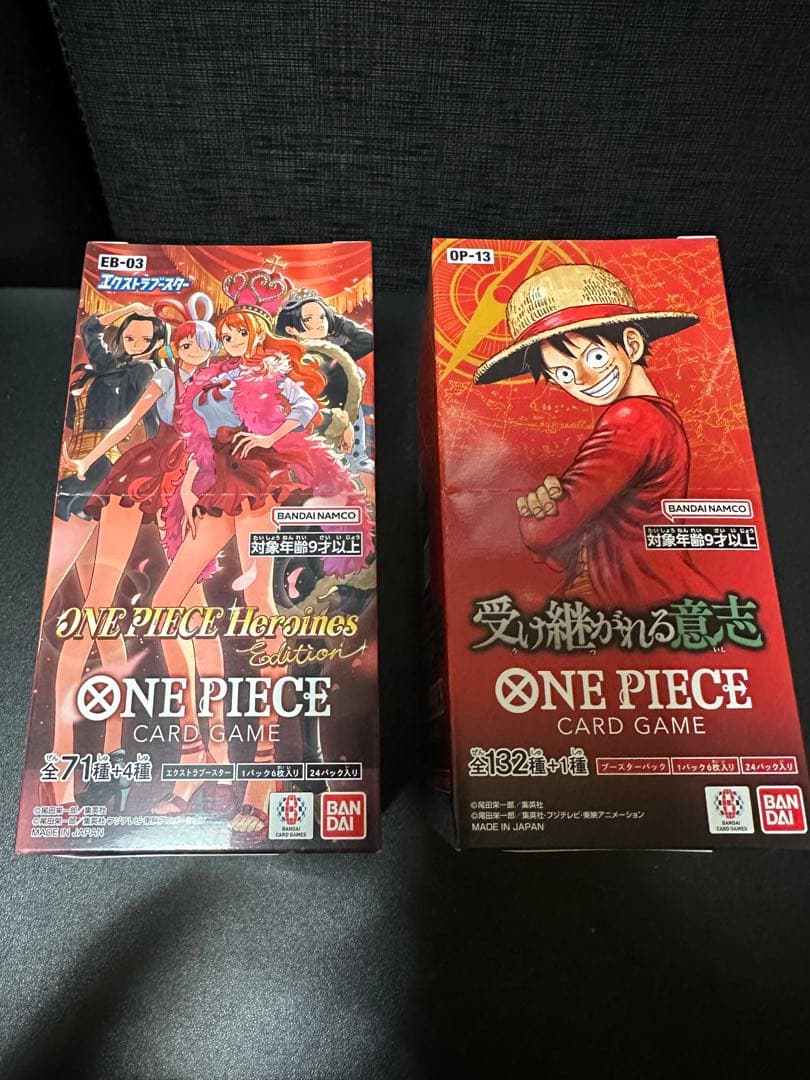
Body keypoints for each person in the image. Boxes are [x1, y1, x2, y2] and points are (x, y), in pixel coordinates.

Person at [154, 288, 373, 847]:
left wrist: (270, 435)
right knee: (163, 604)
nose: (230, 341)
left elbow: (308, 411)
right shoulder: (209, 380)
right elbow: (197, 441)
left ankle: (264, 773)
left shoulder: (271, 373)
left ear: (255, 335)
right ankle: (201, 750)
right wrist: (184, 492)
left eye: (238, 333)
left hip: (257, 485)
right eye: (225, 334)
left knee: (261, 609)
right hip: (213, 487)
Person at [474, 263, 715, 610]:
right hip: (636, 593)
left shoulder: (633, 419)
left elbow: (551, 529)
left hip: (631, 594)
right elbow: (585, 534)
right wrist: (550, 508)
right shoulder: (657, 417)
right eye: (564, 374)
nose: (584, 380)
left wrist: (535, 518)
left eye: (596, 357)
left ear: (631, 343)